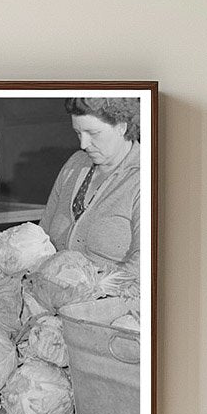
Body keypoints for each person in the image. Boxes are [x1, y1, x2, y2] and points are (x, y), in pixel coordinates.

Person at [40, 97, 141, 284]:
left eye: (93, 133)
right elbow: (41, 235)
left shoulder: (143, 178)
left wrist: (88, 290)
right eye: (78, 133)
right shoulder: (75, 164)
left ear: (122, 127)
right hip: (53, 295)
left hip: (113, 304)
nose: (83, 145)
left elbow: (142, 267)